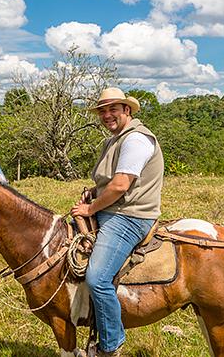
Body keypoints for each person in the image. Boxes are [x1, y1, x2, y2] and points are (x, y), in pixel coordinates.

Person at [71, 87, 164, 357]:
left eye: (113, 109)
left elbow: (121, 185)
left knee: (98, 278)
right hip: (114, 208)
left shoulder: (135, 139)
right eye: (103, 110)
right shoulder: (115, 139)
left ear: (127, 110)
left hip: (130, 216)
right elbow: (110, 182)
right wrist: (95, 192)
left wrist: (90, 208)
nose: (107, 115)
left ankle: (111, 345)